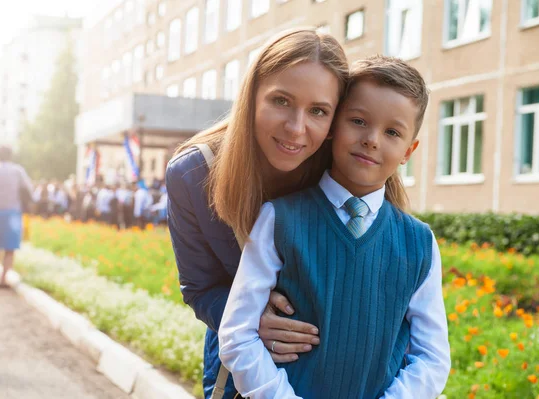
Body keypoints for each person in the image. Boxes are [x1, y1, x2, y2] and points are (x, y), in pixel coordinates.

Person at [218, 56, 451, 398]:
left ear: (408, 151)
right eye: (358, 121)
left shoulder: (419, 243)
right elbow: (238, 335)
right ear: (332, 128)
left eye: (392, 132)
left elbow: (432, 358)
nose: (372, 139)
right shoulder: (279, 219)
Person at [166, 28, 351, 398]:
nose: (296, 129)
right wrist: (251, 320)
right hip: (239, 374)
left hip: (334, 372)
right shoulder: (193, 173)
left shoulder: (341, 168)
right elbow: (199, 287)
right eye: (281, 101)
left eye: (318, 111)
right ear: (251, 97)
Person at [0, 146, 33, 288]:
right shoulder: (17, 170)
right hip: (12, 211)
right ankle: (4, 279)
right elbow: (28, 189)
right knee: (9, 248)